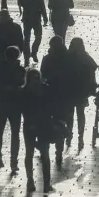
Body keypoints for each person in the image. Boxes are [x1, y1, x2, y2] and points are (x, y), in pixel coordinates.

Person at [0, 46, 25, 173]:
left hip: (0, 105)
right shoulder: (21, 71)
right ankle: (14, 162)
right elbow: (24, 88)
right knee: (15, 134)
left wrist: (2, 89)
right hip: (16, 106)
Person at [20, 68, 54, 197]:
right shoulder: (24, 92)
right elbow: (23, 109)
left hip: (43, 126)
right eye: (33, 79)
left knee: (45, 154)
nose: (35, 82)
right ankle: (30, 180)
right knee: (29, 152)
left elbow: (51, 106)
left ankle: (46, 183)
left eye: (37, 79)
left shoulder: (45, 90)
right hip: (30, 126)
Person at [41, 36, 73, 169]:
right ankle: (59, 151)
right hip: (64, 96)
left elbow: (43, 75)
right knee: (61, 122)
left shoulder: (47, 59)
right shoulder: (68, 58)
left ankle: (45, 148)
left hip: (50, 96)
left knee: (47, 122)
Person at [67, 37, 98, 149]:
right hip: (81, 91)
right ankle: (80, 136)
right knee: (80, 114)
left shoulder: (68, 56)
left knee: (70, 114)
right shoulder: (85, 57)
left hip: (71, 90)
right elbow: (93, 68)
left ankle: (70, 135)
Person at [18, 0, 48, 66]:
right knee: (26, 38)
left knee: (38, 36)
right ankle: (27, 57)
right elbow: (21, 3)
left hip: (36, 18)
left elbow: (42, 5)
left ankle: (34, 52)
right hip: (27, 18)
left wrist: (45, 17)